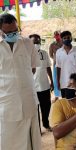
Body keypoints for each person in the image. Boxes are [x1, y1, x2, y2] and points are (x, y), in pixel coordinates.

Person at [0, 13, 41, 150]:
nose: (13, 34)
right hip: (6, 103)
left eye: (15, 30)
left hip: (28, 101)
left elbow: (33, 68)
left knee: (31, 140)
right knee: (7, 140)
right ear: (1, 31)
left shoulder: (27, 43)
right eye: (9, 32)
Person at [29, 34, 54, 132]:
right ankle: (37, 129)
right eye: (34, 42)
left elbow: (48, 67)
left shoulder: (44, 53)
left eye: (38, 42)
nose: (36, 44)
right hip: (32, 87)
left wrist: (51, 80)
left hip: (44, 85)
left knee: (46, 106)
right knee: (35, 109)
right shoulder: (26, 54)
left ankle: (46, 124)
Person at [56, 31, 76, 98]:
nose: (67, 39)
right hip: (64, 83)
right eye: (64, 38)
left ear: (71, 38)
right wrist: (58, 82)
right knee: (66, 105)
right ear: (61, 40)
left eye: (68, 37)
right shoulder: (59, 52)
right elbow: (58, 68)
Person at [49, 31, 62, 100]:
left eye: (58, 35)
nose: (57, 36)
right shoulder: (52, 45)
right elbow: (50, 54)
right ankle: (57, 95)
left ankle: (65, 94)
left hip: (64, 64)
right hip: (56, 64)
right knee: (56, 79)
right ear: (54, 36)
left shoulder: (64, 43)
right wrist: (56, 58)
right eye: (55, 35)